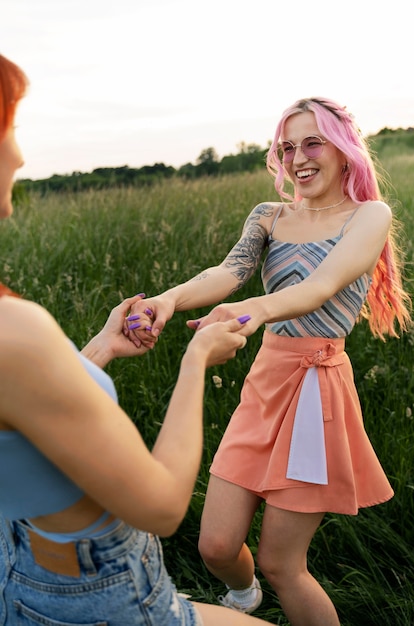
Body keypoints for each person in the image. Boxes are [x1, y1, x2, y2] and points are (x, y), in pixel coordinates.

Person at [0, 53, 275, 626]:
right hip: (100, 590)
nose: (20, 155)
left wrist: (99, 349)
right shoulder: (14, 331)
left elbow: (21, 414)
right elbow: (162, 506)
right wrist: (197, 359)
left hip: (21, 570)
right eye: (10, 128)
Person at [127, 96, 412, 625]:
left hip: (315, 393)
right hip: (264, 384)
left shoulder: (368, 216)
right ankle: (245, 595)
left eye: (311, 143)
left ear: (343, 150)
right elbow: (227, 273)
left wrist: (254, 308)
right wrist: (168, 299)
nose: (298, 157)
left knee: (283, 563)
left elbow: (320, 286)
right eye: (286, 148)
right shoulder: (269, 216)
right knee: (215, 545)